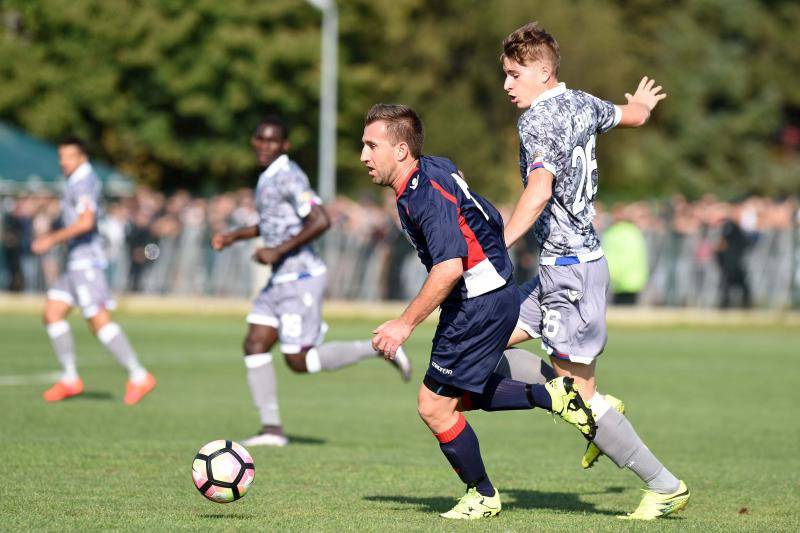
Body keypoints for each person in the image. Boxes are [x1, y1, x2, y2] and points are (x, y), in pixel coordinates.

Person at [362, 103, 595, 520]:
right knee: (457, 397)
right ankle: (551, 396)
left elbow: (449, 268)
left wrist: (403, 324)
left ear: (400, 151)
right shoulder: (432, 167)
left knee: (434, 406)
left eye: (371, 145)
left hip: (476, 302)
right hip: (492, 291)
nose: (364, 156)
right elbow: (464, 186)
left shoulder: (422, 197)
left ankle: (483, 495)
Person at [499, 22, 689, 520]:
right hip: (556, 274)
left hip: (572, 274)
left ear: (542, 72)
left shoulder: (537, 120)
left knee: (577, 397)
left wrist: (496, 246)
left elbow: (539, 191)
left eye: (515, 74)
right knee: (482, 339)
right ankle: (596, 411)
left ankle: (664, 484)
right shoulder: (581, 102)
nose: (507, 85)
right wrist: (643, 106)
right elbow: (632, 117)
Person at [212, 115, 411, 448]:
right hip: (280, 279)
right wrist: (234, 236)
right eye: (259, 138)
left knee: (298, 360)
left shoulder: (289, 176)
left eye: (272, 140)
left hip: (300, 277)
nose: (263, 145)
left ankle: (377, 349)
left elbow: (321, 220)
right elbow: (274, 223)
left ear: (285, 146)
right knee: (255, 343)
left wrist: (276, 251)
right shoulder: (268, 177)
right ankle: (272, 430)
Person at [33, 137, 156, 405]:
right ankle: (69, 379)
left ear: (82, 158)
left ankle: (139, 375)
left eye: (68, 157)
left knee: (98, 321)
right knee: (52, 312)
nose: (63, 162)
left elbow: (86, 222)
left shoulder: (84, 182)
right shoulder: (76, 181)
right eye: (61, 157)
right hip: (75, 263)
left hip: (86, 263)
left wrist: (51, 238)